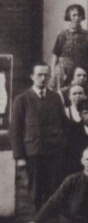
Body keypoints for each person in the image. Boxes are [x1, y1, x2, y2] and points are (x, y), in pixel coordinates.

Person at [11, 65, 67, 209]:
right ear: (32, 76)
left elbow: (64, 124)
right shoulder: (22, 99)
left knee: (53, 189)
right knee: (35, 191)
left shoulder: (55, 97)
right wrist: (20, 157)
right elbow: (16, 130)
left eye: (46, 75)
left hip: (54, 152)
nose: (43, 78)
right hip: (33, 152)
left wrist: (61, 145)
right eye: (39, 75)